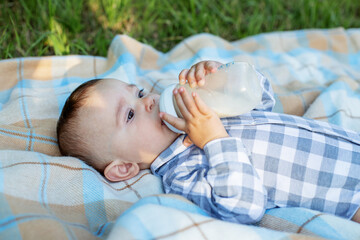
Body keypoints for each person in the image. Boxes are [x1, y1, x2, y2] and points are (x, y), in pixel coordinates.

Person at [57, 61, 360, 225]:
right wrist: (214, 139)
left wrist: (220, 76)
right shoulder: (182, 175)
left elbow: (265, 102)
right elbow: (244, 208)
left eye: (139, 93)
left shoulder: (198, 110)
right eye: (130, 115)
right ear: (124, 167)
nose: (149, 101)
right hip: (347, 195)